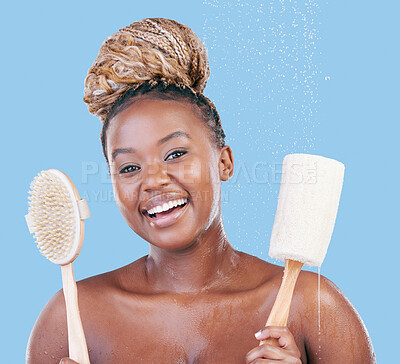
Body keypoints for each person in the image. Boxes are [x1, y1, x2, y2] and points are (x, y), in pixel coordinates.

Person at [26, 18, 375, 363]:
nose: (153, 181)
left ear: (224, 162)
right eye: (130, 168)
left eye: (175, 154)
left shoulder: (312, 307)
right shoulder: (73, 318)